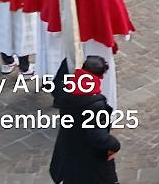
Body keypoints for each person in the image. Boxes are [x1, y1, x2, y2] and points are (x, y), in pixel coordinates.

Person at [42, 0, 134, 110]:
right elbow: (115, 8)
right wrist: (124, 32)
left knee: (72, 70)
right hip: (96, 38)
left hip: (71, 36)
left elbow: (56, 0)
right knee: (101, 75)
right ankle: (102, 112)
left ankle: (72, 109)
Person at [49, 55, 121, 184]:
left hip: (68, 155)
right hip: (90, 163)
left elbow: (56, 84)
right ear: (101, 77)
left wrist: (69, 59)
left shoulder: (67, 91)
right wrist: (114, 145)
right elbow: (99, 137)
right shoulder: (96, 106)